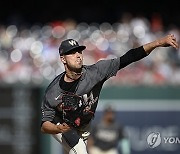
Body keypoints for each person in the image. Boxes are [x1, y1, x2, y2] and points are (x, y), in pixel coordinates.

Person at [40, 34, 179, 154]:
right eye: (72, 53)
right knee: (80, 151)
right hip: (63, 125)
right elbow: (44, 125)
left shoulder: (97, 71)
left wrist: (158, 43)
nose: (78, 56)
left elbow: (129, 57)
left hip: (84, 125)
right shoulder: (54, 90)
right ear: (63, 59)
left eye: (79, 52)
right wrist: (58, 128)